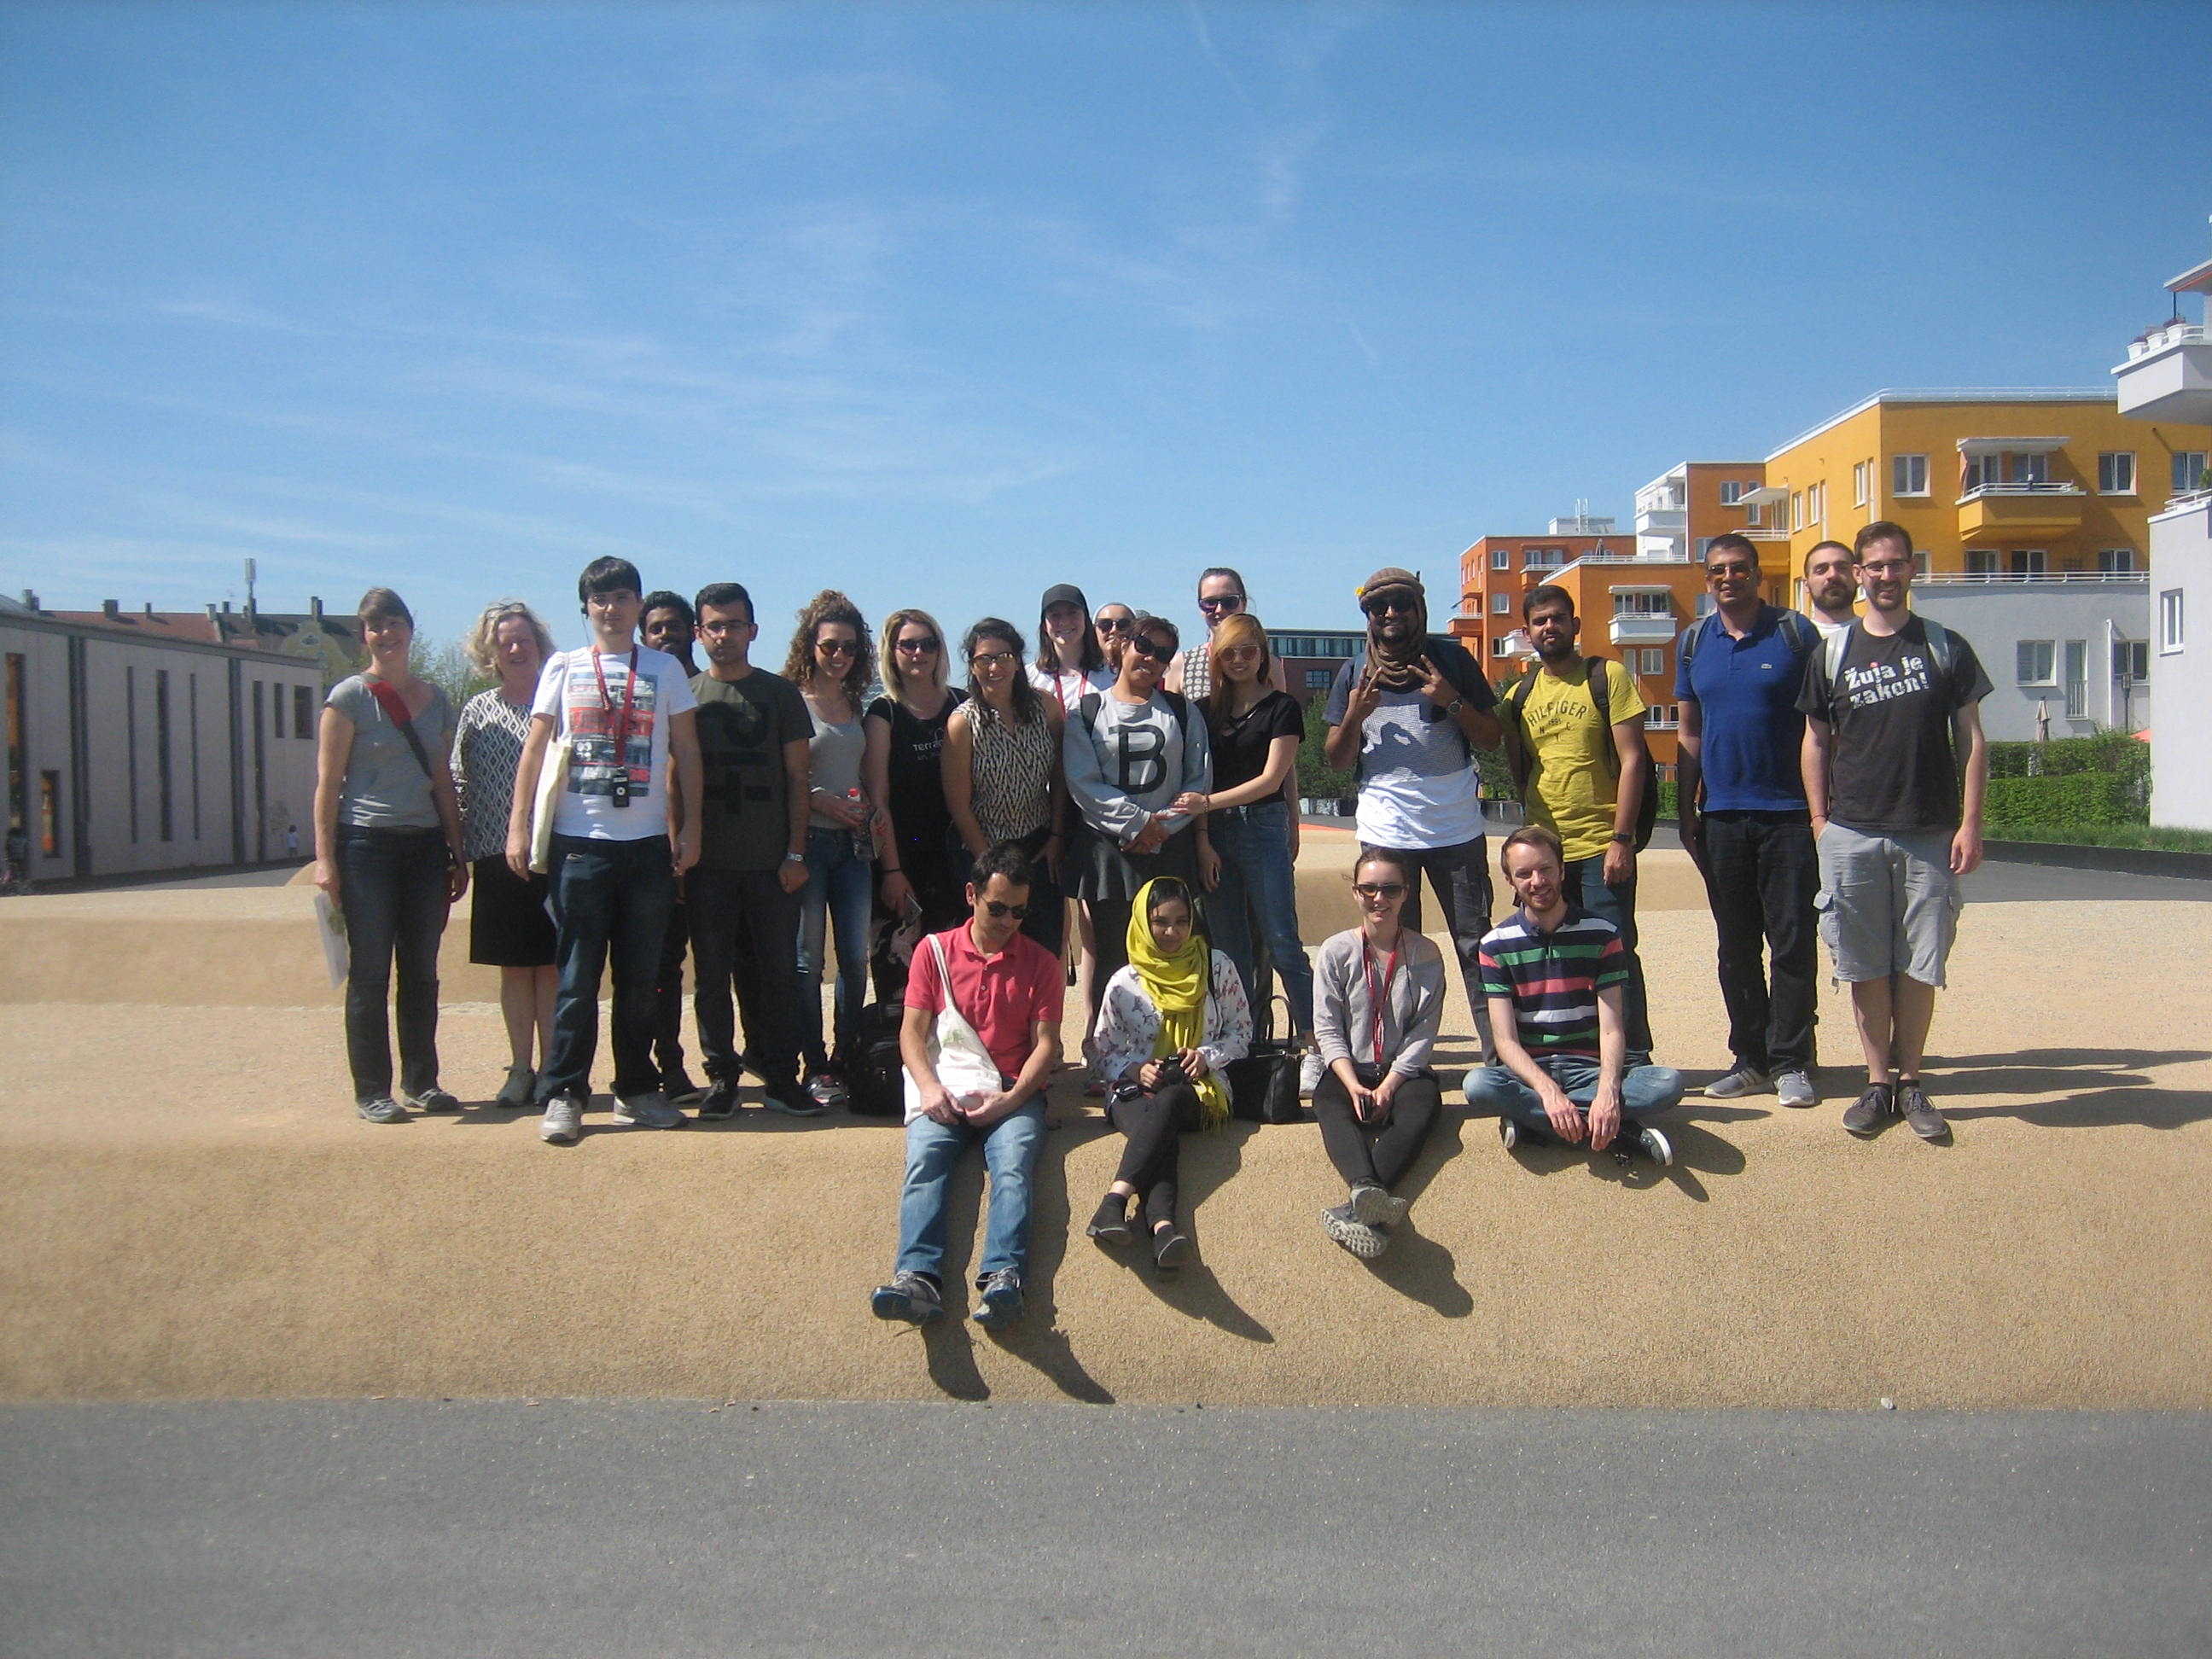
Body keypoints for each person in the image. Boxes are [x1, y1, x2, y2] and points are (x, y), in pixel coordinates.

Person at [1799, 521, 1991, 1143]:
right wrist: (1820, 823)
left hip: (1927, 831)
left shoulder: (1944, 646)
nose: (1885, 576)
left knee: (1919, 965)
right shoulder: (1832, 653)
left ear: (1912, 569)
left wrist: (1970, 822)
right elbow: (1815, 742)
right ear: (1859, 573)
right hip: (1852, 831)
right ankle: (1876, 1081)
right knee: (1862, 966)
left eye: (1896, 565)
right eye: (1874, 566)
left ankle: (1911, 1081)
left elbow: (1973, 740)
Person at [506, 556, 702, 1144]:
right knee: (576, 979)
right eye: (601, 599)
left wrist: (690, 829)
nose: (612, 609)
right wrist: (518, 827)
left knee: (641, 979)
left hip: (646, 848)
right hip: (579, 845)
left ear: (639, 606)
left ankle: (636, 1088)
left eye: (622, 597)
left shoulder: (665, 669)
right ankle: (565, 1091)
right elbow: (535, 751)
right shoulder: (563, 668)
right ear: (585, 608)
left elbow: (688, 754)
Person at [870, 840, 1066, 1330]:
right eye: (997, 908)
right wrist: (929, 1088)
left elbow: (1046, 1047)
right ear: (971, 895)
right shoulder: (932, 953)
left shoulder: (1042, 962)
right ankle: (916, 1277)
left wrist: (1013, 1099)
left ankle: (1003, 1277)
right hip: (948, 1083)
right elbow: (912, 1034)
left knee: (1014, 1166)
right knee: (925, 1161)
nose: (1007, 922)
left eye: (1018, 913)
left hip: (1013, 1089)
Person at [1321, 567, 1503, 1056]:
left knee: (1476, 946)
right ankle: (1403, 1062)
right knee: (1395, 950)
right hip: (1387, 830)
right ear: (1369, 617)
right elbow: (1337, 760)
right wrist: (1357, 713)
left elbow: (1491, 737)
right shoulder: (1353, 672)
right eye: (1380, 607)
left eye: (1402, 603)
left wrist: (1453, 701)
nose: (1391, 613)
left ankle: (1501, 1059)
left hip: (1455, 827)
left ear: (1419, 609)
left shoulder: (1452, 660)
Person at [1674, 534, 1823, 1109]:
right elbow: (1688, 733)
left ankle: (1792, 1060)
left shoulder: (1794, 634)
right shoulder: (1693, 642)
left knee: (1791, 942)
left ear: (1758, 574)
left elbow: (1818, 728)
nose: (1727, 578)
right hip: (1723, 818)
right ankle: (1750, 1058)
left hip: (1788, 816)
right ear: (1707, 579)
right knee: (1735, 946)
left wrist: (1818, 811)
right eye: (1717, 571)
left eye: (1738, 569)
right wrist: (1685, 812)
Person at [313, 588, 468, 1122]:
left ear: (410, 629)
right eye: (375, 626)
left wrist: (456, 849)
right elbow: (327, 782)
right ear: (365, 636)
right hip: (365, 847)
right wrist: (325, 859)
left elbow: (444, 781)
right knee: (371, 970)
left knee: (421, 970)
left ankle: (422, 1081)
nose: (387, 634)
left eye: (395, 623)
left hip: (425, 847)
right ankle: (371, 1089)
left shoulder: (439, 699)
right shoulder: (349, 697)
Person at [1499, 583, 1655, 1064]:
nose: (1550, 627)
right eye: (1540, 621)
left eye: (1557, 618)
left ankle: (1633, 1055)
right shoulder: (1518, 696)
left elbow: (1633, 761)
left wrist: (1622, 839)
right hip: (1548, 854)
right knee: (1558, 955)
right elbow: (1520, 770)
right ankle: (1578, 1054)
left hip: (1601, 844)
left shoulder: (1606, 677)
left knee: (1616, 951)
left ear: (1574, 624)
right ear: (1527, 633)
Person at [1464, 824, 1685, 1164]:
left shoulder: (1603, 934)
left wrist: (1608, 1092)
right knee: (1478, 1085)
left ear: (1563, 870)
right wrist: (1548, 1092)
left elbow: (1612, 1028)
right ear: (1510, 881)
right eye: (1524, 873)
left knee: (1668, 1082)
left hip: (1590, 1069)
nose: (1537, 881)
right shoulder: (1495, 945)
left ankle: (1536, 1125)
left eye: (1545, 869)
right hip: (1531, 1072)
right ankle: (1616, 1131)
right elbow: (1505, 1042)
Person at [687, 581, 816, 1119]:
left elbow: (797, 777)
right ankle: (721, 1076)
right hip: (707, 864)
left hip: (770, 863)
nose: (724, 635)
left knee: (779, 974)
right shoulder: (685, 694)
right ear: (699, 633)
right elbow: (675, 780)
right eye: (714, 626)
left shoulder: (779, 694)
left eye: (733, 624)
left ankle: (782, 1077)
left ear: (752, 631)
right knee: (711, 975)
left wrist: (795, 853)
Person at [1173, 611, 1318, 1084]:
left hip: (1261, 828)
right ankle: (1244, 1045)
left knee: (1282, 942)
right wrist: (1203, 837)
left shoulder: (1282, 707)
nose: (1238, 660)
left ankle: (1315, 1042)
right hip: (1217, 835)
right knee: (1229, 951)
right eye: (1228, 651)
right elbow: (1198, 775)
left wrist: (1207, 805)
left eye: (1248, 651)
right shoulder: (1206, 711)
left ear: (1263, 655)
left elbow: (1272, 779)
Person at [1086, 876, 1253, 1270]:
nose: (1172, 932)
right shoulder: (1124, 981)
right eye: (1161, 922)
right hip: (1134, 1093)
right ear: (1144, 921)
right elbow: (1098, 1048)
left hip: (1202, 1089)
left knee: (1174, 1098)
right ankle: (1163, 1230)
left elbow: (1242, 1032)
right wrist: (1134, 1068)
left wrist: (1206, 1057)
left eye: (1181, 921)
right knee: (1160, 1130)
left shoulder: (1217, 967)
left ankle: (1114, 1202)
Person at [1064, 612, 1213, 1027]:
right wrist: (1136, 825)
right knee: (1113, 956)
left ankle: (1172, 1045)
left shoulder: (1183, 713)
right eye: (1144, 645)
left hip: (1170, 848)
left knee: (1172, 949)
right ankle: (1110, 1053)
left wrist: (1160, 827)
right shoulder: (1087, 712)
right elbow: (1083, 783)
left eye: (1162, 653)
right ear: (1123, 647)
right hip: (1110, 853)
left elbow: (1197, 779)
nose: (1150, 658)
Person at [1309, 848, 1447, 1260]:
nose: (1378, 898)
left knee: (1424, 1105)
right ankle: (1369, 1193)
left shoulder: (1426, 954)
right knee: (1328, 1102)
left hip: (1401, 1072)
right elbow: (1327, 1027)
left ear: (1406, 893)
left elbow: (1424, 1033)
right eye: (1368, 888)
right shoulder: (1336, 951)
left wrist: (1390, 1084)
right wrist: (1351, 1082)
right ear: (1355, 893)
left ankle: (1358, 1204)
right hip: (1348, 1067)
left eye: (1389, 888)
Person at [452, 598, 561, 1108]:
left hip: (555, 852)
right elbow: (457, 778)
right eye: (505, 642)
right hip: (496, 854)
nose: (516, 649)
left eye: (524, 639)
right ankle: (521, 1067)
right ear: (490, 653)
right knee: (515, 968)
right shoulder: (478, 710)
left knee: (554, 966)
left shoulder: (561, 702)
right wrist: (452, 847)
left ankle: (554, 1071)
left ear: (540, 645)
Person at [783, 590, 879, 1108]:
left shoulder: (855, 703)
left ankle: (846, 1057)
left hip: (854, 847)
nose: (838, 655)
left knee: (854, 961)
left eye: (847, 646)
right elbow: (783, 776)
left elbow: (859, 768)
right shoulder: (789, 698)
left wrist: (868, 805)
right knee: (806, 962)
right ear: (810, 645)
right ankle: (813, 1063)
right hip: (808, 844)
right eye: (828, 646)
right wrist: (821, 800)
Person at [942, 618, 1066, 957]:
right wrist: (990, 868)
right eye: (984, 659)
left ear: (1017, 660)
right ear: (972, 664)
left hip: (1038, 845)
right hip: (984, 847)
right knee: (995, 953)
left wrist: (1056, 837)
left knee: (1044, 948)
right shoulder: (962, 723)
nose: (994, 667)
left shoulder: (1046, 707)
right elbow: (959, 805)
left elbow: (1059, 776)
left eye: (1004, 657)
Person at [864, 608, 969, 994]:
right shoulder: (883, 712)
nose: (918, 652)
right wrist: (892, 871)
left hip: (955, 860)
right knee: (901, 976)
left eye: (928, 644)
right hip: (902, 862)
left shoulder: (962, 702)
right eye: (908, 644)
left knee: (957, 976)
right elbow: (879, 799)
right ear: (892, 651)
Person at [640, 589, 702, 1101]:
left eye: (674, 626)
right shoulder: (640, 692)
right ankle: (669, 1065)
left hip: (718, 850)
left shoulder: (709, 689)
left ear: (693, 632)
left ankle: (738, 1065)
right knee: (662, 968)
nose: (666, 635)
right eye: (656, 627)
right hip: (659, 853)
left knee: (735, 964)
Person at [1167, 567, 1289, 701]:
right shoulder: (1182, 664)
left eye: (1229, 602)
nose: (1219, 610)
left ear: (1244, 603)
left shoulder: (1268, 664)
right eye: (1209, 603)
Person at [1028, 584, 1116, 715]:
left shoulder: (1112, 675)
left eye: (1072, 613)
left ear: (1085, 619)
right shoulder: (1029, 677)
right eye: (1055, 615)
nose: (1064, 622)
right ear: (1045, 626)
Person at [1802, 541, 1860, 639]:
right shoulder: (1796, 638)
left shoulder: (1877, 635)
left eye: (1842, 568)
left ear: (1857, 576)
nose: (1833, 575)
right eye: (1821, 570)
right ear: (1806, 585)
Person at [641, 591, 700, 675]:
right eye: (656, 629)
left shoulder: (711, 687)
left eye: (673, 627)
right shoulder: (636, 687)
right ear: (644, 641)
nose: (665, 633)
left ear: (692, 633)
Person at [1093, 602, 1137, 678]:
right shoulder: (1080, 673)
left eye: (1123, 624)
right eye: (1105, 624)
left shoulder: (1144, 673)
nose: (1114, 630)